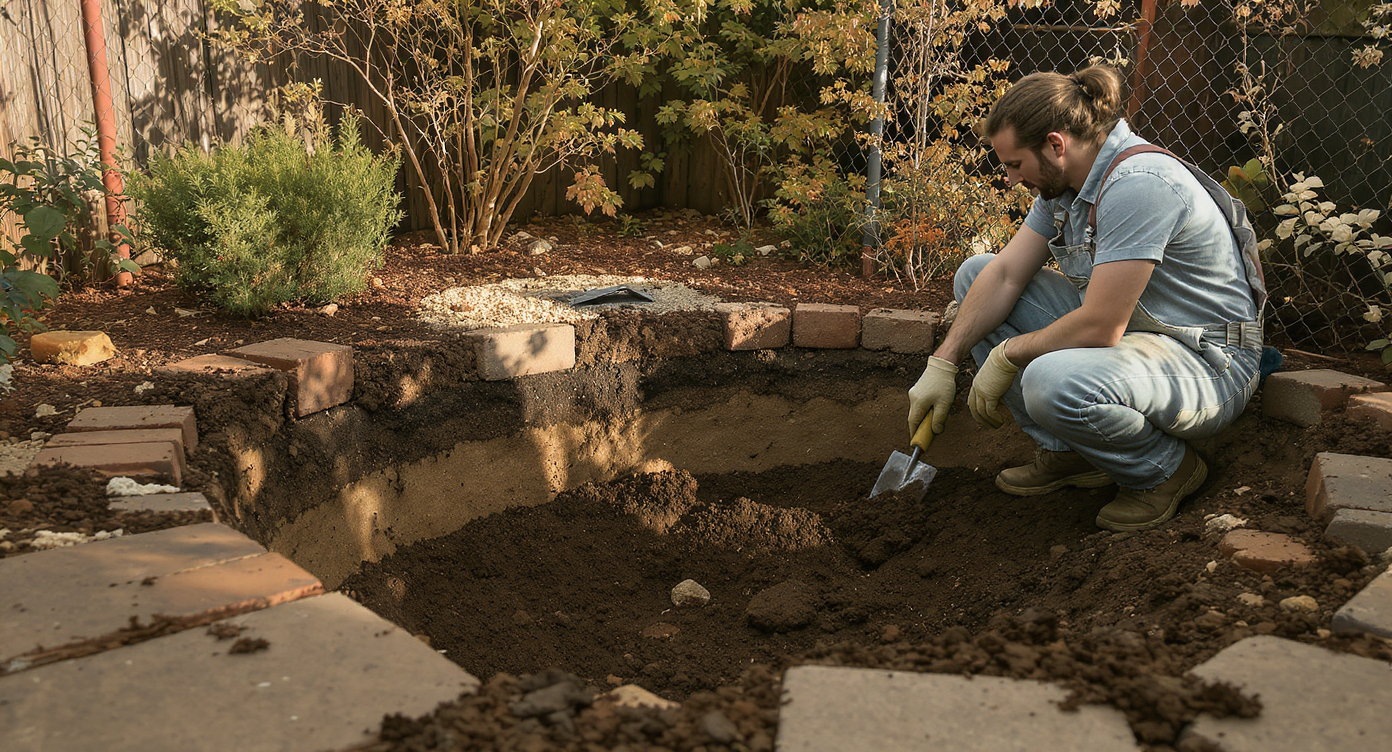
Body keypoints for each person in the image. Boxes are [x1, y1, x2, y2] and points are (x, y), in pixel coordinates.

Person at [906, 65, 1267, 532]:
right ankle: (1071, 453)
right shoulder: (1067, 184)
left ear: (1056, 144)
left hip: (1208, 361)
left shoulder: (1140, 184)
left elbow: (1100, 326)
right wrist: (944, 361)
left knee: (1050, 380)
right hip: (1141, 339)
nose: (1012, 179)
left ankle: (1163, 471)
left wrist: (1006, 354)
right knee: (977, 274)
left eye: (1015, 164)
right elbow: (1005, 274)